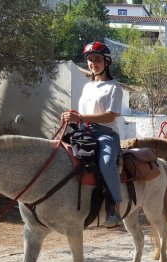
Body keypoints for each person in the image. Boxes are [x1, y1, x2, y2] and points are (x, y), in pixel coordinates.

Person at [61, 41, 123, 228]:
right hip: (84, 132)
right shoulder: (87, 87)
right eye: (90, 59)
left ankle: (114, 206)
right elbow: (82, 116)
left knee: (105, 163)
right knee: (60, 154)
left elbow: (110, 115)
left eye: (97, 59)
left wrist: (79, 117)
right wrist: (70, 118)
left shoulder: (114, 87)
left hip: (106, 134)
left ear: (106, 62)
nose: (93, 63)